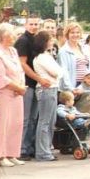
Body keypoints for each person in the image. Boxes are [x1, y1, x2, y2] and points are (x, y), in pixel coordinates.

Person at [14, 15, 50, 161]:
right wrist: (38, 78)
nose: (34, 26)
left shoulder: (36, 40)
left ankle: (29, 147)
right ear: (26, 25)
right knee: (26, 119)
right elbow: (22, 64)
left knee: (34, 118)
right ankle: (21, 149)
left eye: (36, 24)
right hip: (27, 83)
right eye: (31, 24)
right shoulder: (22, 41)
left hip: (36, 85)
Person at [0, 23, 27, 167]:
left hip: (17, 92)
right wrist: (17, 86)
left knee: (16, 123)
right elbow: (0, 77)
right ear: (2, 36)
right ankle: (1, 155)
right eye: (10, 34)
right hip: (4, 93)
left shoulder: (13, 51)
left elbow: (20, 70)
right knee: (3, 123)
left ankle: (12, 153)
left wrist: (21, 86)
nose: (13, 36)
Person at [32, 30, 62, 161]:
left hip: (52, 88)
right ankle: (42, 152)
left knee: (51, 120)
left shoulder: (47, 56)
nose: (51, 42)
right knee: (44, 121)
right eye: (49, 40)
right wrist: (57, 73)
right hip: (46, 90)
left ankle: (47, 147)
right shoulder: (41, 58)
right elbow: (56, 72)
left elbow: (59, 72)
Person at [57, 22, 90, 96]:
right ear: (67, 34)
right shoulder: (63, 51)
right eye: (72, 33)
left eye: (77, 32)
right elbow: (64, 71)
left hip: (86, 85)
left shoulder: (84, 49)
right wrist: (71, 89)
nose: (75, 35)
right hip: (73, 86)